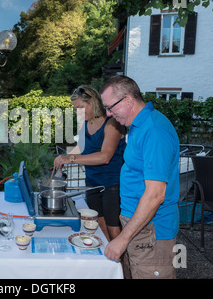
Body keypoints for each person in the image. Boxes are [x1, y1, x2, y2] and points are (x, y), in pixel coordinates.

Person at [100, 75, 180, 279]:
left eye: (110, 107)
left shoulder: (154, 131)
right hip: (139, 225)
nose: (108, 114)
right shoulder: (137, 127)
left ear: (127, 100)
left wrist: (122, 239)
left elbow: (155, 196)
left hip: (153, 231)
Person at [54, 85, 126, 241]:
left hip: (112, 184)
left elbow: (105, 156)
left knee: (114, 229)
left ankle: (122, 265)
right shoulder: (85, 123)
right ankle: (108, 262)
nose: (78, 112)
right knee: (98, 224)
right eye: (76, 109)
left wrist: (70, 159)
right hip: (92, 182)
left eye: (80, 107)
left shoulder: (113, 124)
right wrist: (63, 157)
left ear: (92, 101)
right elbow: (81, 148)